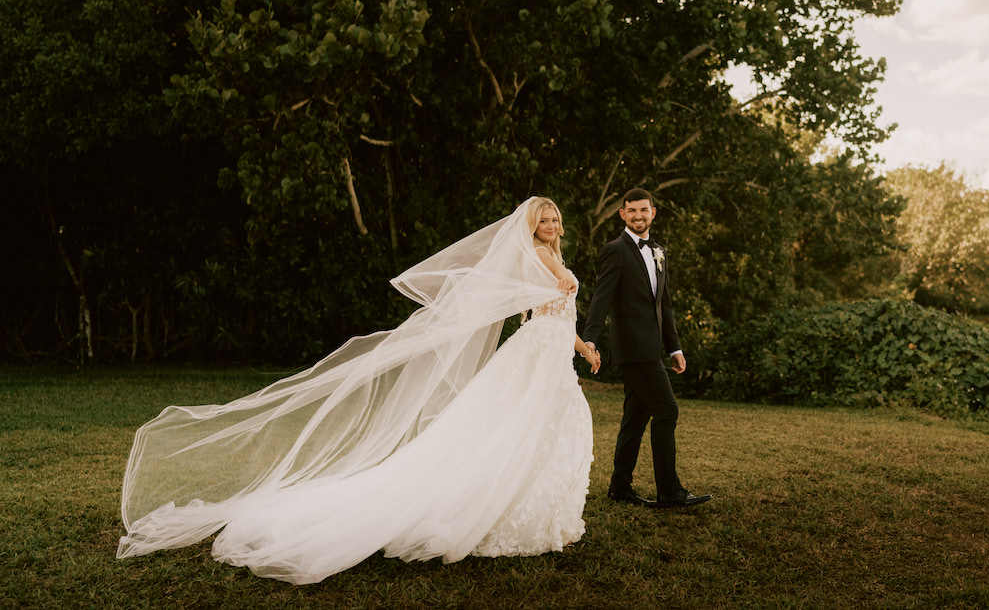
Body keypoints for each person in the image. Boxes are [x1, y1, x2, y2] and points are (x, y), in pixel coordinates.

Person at [116, 197, 602, 585]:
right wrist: (559, 284)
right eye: (543, 218)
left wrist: (581, 346)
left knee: (537, 431)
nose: (551, 223)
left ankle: (534, 510)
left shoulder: (552, 255)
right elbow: (551, 295)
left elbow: (556, 312)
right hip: (536, 356)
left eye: (555, 217)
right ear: (532, 226)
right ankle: (505, 508)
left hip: (551, 349)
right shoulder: (539, 256)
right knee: (518, 430)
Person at [582, 188, 711, 509]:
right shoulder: (615, 250)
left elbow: (663, 305)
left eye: (644, 210)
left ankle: (619, 486)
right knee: (667, 411)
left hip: (653, 349)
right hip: (633, 349)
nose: (638, 215)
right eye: (632, 211)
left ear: (653, 212)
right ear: (622, 214)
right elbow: (601, 297)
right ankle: (670, 491)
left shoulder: (659, 251)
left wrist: (674, 348)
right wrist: (590, 338)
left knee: (635, 418)